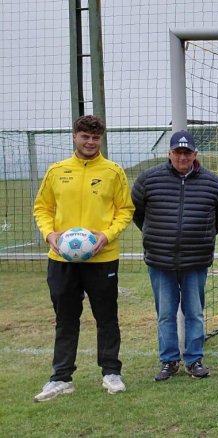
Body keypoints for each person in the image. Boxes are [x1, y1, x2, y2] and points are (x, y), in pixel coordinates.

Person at [32, 115, 135, 401]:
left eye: (95, 138)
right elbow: (42, 208)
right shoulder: (57, 171)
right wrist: (50, 235)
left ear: (101, 139)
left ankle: (111, 372)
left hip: (102, 259)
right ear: (75, 137)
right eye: (85, 137)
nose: (90, 142)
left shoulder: (113, 171)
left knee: (107, 316)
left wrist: (107, 235)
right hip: (62, 259)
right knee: (65, 318)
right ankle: (61, 378)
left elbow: (125, 210)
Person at [132, 130, 218, 381]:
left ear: (195, 154)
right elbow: (137, 213)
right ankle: (169, 361)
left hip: (195, 260)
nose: (182, 157)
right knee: (166, 314)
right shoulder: (148, 179)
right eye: (178, 152)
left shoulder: (212, 182)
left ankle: (194, 360)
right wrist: (157, 237)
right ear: (169, 153)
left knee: (194, 313)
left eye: (187, 152)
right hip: (160, 260)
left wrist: (202, 237)